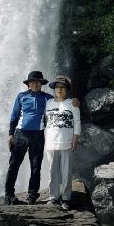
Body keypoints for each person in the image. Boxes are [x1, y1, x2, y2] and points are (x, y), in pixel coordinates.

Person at [4, 71, 80, 206]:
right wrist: (10, 134)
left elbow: (61, 102)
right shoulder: (21, 97)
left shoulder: (48, 99)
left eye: (38, 82)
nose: (35, 84)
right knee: (13, 165)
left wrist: (75, 101)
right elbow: (14, 116)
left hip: (38, 136)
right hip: (20, 134)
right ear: (28, 84)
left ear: (42, 84)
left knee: (35, 167)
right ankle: (9, 195)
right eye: (32, 81)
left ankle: (32, 195)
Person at [44, 75, 81, 210]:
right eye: (57, 87)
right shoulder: (48, 103)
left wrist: (75, 138)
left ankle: (66, 198)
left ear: (67, 90)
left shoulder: (72, 103)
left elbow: (77, 122)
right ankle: (53, 197)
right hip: (50, 143)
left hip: (67, 142)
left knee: (66, 172)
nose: (60, 89)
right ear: (54, 89)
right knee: (52, 171)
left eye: (63, 87)